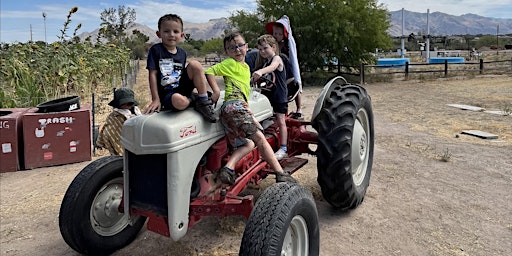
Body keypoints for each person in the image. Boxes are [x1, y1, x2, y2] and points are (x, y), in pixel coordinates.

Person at [205, 32, 296, 185]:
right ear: (227, 52)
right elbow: (209, 71)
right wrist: (215, 91)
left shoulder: (246, 67)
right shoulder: (230, 63)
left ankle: (228, 168)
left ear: (246, 47)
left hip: (232, 109)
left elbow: (244, 91)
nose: (237, 50)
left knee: (248, 143)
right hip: (235, 106)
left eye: (240, 46)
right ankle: (280, 173)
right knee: (261, 139)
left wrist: (249, 113)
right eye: (232, 48)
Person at [145, 13, 220, 122]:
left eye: (175, 31)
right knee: (180, 102)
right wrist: (156, 99)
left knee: (195, 65)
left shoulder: (182, 53)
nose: (171, 34)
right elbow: (152, 74)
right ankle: (193, 99)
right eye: (166, 31)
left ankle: (203, 102)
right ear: (158, 33)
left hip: (181, 87)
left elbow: (183, 74)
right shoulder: (156, 50)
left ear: (182, 35)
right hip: (168, 94)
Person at [252, 34, 289, 160]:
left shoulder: (277, 59)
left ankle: (283, 148)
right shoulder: (266, 62)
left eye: (265, 48)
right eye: (260, 49)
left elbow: (272, 68)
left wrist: (261, 72)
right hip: (269, 95)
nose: (262, 51)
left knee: (281, 120)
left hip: (279, 94)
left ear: (273, 47)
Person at [266, 15, 304, 120]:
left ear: (284, 35)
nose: (277, 36)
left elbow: (291, 60)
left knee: (295, 87)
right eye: (275, 34)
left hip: (288, 74)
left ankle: (299, 108)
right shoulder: (271, 46)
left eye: (279, 34)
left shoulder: (287, 47)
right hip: (277, 74)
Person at [96, 87, 142, 156]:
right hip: (121, 150)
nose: (127, 106)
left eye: (129, 104)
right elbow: (110, 133)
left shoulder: (137, 112)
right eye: (124, 104)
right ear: (118, 104)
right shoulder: (114, 118)